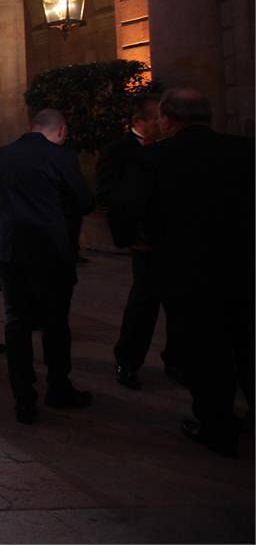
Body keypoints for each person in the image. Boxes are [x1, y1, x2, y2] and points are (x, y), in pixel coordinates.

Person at [118, 88, 254, 457]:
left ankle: (216, 426)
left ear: (167, 119)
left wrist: (133, 239)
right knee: (247, 343)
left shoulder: (155, 158)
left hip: (186, 271)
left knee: (206, 350)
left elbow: (127, 209)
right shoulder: (245, 150)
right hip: (244, 266)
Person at [0, 108, 95, 425]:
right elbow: (84, 202)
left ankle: (24, 400)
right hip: (51, 251)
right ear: (60, 130)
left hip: (8, 250)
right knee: (55, 321)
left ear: (30, 126)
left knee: (16, 322)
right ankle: (58, 388)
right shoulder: (62, 157)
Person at [97, 93, 179, 391]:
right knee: (143, 303)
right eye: (156, 117)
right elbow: (109, 193)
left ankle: (176, 360)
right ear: (139, 121)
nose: (162, 123)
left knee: (178, 303)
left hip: (176, 240)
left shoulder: (172, 149)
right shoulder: (119, 150)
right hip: (145, 242)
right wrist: (131, 234)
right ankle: (128, 361)